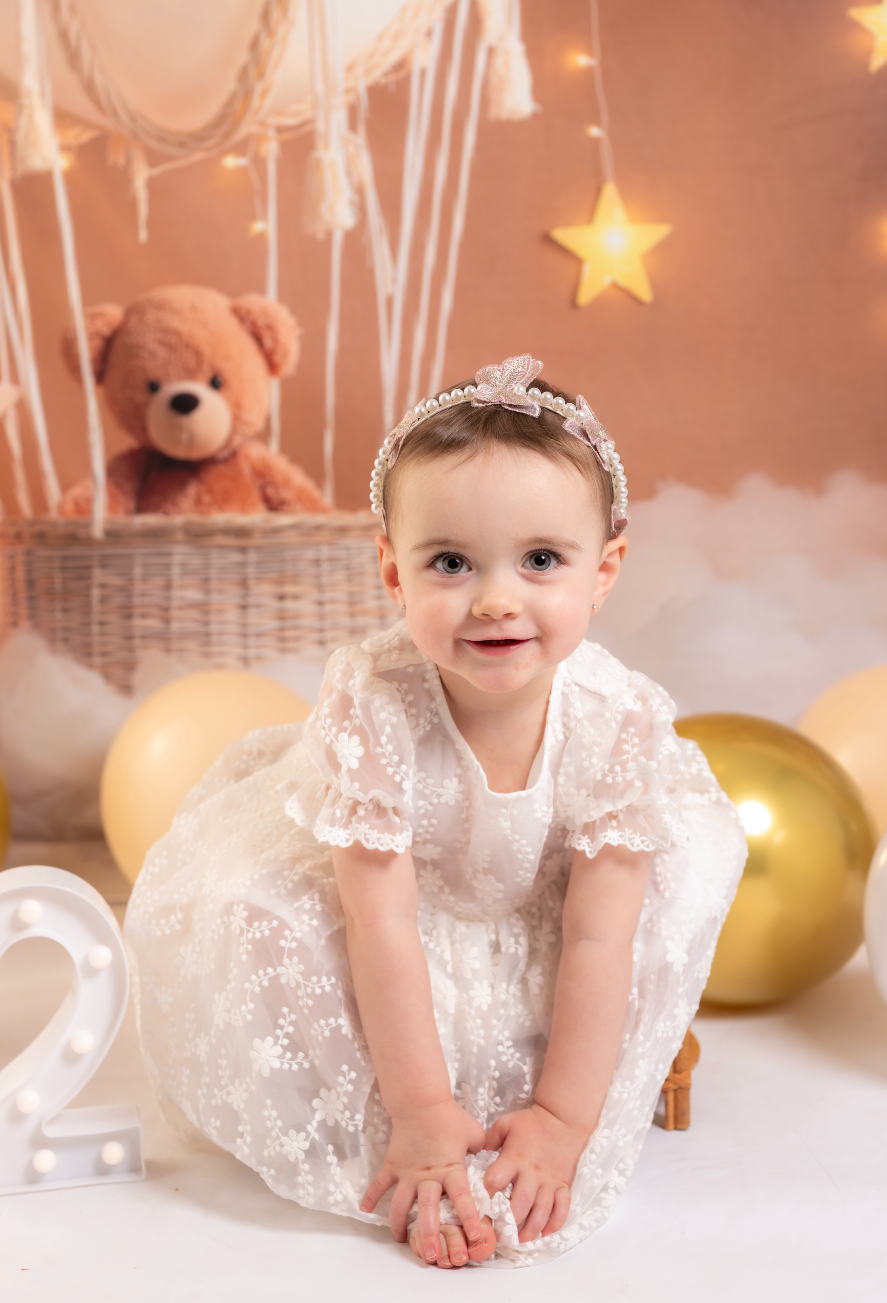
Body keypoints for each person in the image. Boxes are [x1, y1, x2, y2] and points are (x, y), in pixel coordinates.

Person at [124, 354, 747, 1269]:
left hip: (554, 904)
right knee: (249, 907)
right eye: (450, 562)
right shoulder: (375, 705)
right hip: (394, 908)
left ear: (604, 569)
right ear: (392, 571)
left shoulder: (617, 724)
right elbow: (381, 925)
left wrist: (564, 1118)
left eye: (542, 560)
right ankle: (421, 1136)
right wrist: (421, 1113)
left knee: (676, 867)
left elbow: (597, 939)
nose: (497, 599)